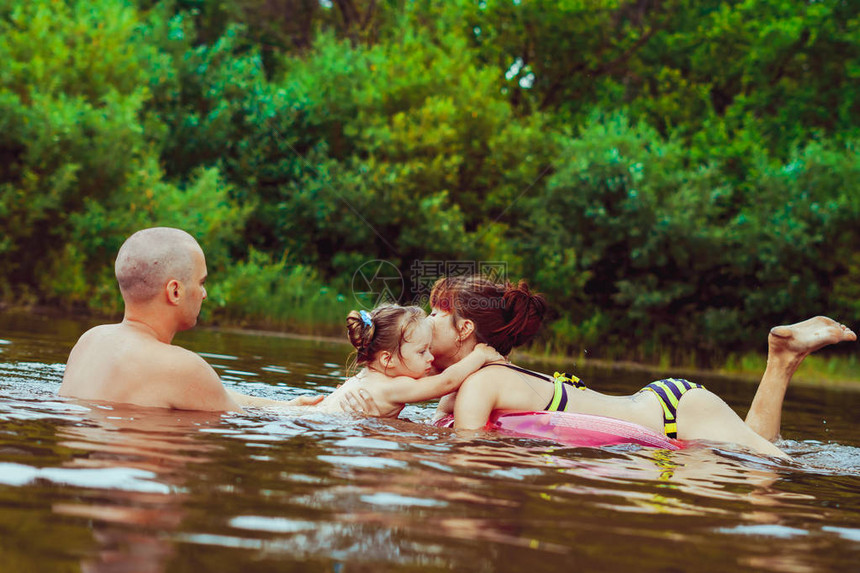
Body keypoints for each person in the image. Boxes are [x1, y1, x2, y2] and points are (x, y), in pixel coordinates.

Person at [425, 275, 857, 458]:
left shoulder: (481, 384)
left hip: (673, 414)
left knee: (777, 466)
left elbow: (467, 456)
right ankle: (781, 357)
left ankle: (780, 356)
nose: (426, 322)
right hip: (671, 407)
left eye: (435, 313)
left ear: (464, 329)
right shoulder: (476, 379)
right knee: (758, 445)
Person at [60, 227, 324, 412]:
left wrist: (284, 405)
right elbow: (243, 420)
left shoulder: (89, 341)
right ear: (175, 291)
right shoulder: (182, 367)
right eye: (202, 282)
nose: (205, 294)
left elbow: (206, 394)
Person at [315, 305, 504, 417]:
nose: (430, 357)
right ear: (388, 359)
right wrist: (480, 355)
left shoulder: (366, 376)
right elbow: (446, 382)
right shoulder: (396, 386)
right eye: (422, 352)